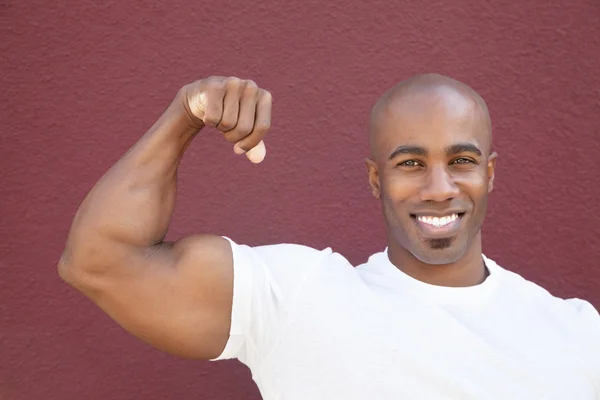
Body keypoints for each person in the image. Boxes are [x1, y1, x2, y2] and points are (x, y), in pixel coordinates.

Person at [58, 74, 600, 399]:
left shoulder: (577, 337)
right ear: (375, 179)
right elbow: (99, 261)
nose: (439, 188)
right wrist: (184, 116)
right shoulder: (299, 297)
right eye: (410, 162)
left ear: (490, 174)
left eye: (461, 161)